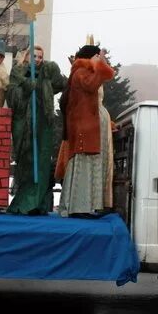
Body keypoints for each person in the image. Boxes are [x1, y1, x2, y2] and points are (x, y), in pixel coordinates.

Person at [55, 44, 115, 217]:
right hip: (85, 126)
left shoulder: (84, 72)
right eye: (97, 56)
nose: (100, 59)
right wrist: (101, 66)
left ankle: (86, 206)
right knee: (84, 164)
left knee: (91, 164)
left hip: (91, 124)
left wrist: (108, 123)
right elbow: (91, 86)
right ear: (91, 57)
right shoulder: (81, 72)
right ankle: (79, 207)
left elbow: (94, 102)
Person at [6, 45, 67, 215]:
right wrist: (26, 85)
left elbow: (61, 84)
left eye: (40, 57)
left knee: (41, 161)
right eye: (34, 56)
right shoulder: (17, 72)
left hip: (43, 122)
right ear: (27, 56)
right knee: (26, 160)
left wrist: (49, 76)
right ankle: (24, 201)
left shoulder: (46, 74)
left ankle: (38, 202)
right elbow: (11, 97)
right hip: (24, 123)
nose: (37, 59)